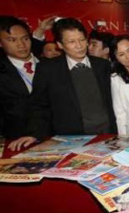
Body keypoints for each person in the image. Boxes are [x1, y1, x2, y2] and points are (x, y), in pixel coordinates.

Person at [9, 18, 116, 150]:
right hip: (69, 139)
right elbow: (40, 105)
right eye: (71, 41)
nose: (79, 45)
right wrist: (34, 133)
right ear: (60, 44)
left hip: (107, 135)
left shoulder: (102, 65)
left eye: (82, 40)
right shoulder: (48, 69)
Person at [0, 16, 52, 139]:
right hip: (18, 140)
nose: (21, 45)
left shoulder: (51, 66)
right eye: (12, 40)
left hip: (58, 136)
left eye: (25, 38)